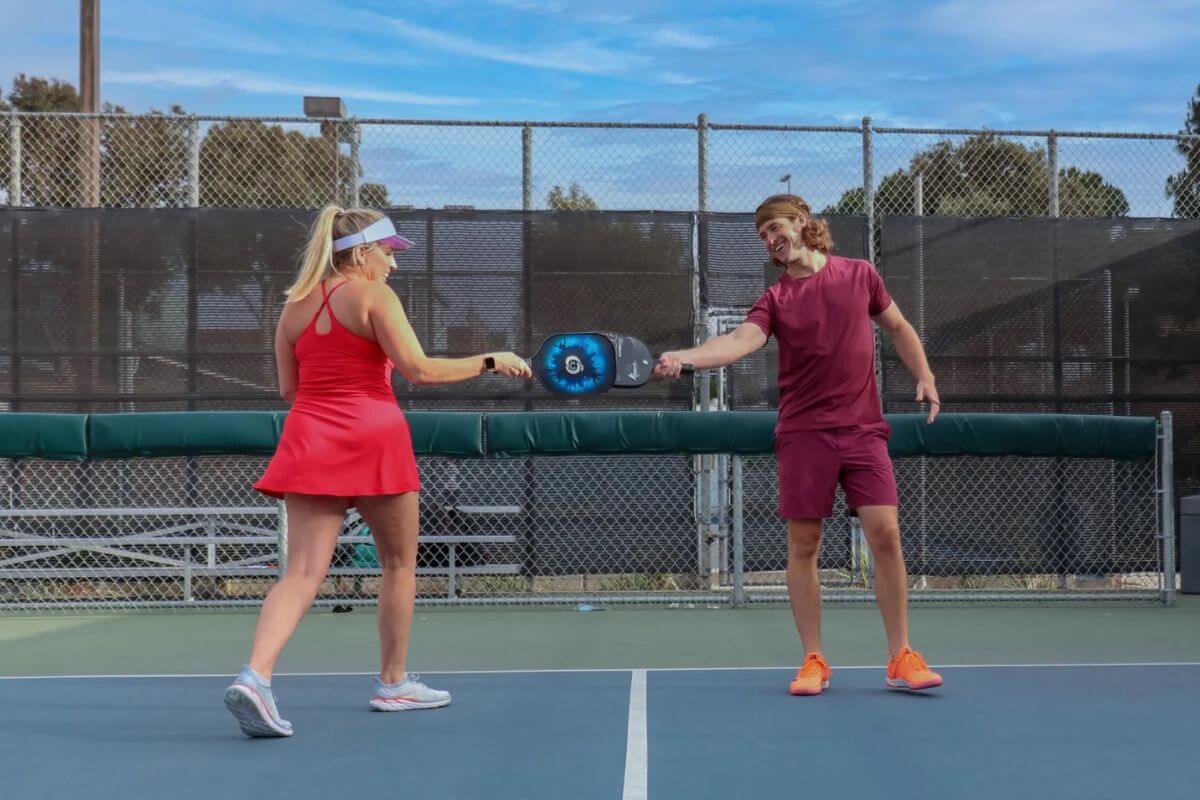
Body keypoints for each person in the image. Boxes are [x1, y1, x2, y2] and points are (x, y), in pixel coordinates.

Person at [224, 206, 532, 737]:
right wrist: (489, 359)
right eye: (388, 253)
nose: (392, 265)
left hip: (311, 436)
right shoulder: (375, 297)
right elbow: (419, 369)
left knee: (300, 574)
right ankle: (393, 684)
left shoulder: (293, 308)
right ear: (363, 252)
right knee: (399, 565)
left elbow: (289, 391)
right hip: (374, 437)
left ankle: (255, 677)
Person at [655, 194, 944, 696]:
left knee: (887, 535)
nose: (770, 239)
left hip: (862, 431)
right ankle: (813, 658)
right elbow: (742, 341)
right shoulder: (774, 300)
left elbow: (897, 327)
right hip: (804, 433)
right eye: (763, 235)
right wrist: (686, 357)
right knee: (804, 545)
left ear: (802, 223)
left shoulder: (859, 275)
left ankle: (901, 655)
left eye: (775, 228)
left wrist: (925, 375)